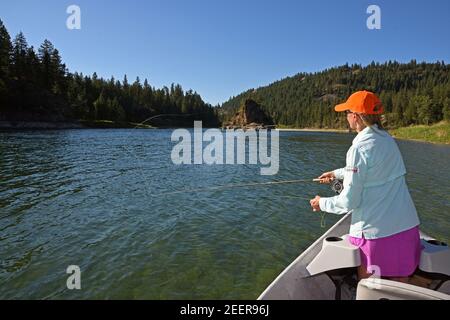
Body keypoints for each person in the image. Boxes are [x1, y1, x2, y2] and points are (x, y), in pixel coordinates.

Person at [309, 90, 421, 283]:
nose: (346, 117)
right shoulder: (388, 140)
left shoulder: (358, 148)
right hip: (406, 229)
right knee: (400, 288)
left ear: (356, 116)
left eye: (347, 113)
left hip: (376, 236)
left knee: (371, 289)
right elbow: (371, 171)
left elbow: (349, 201)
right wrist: (335, 174)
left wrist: (322, 203)